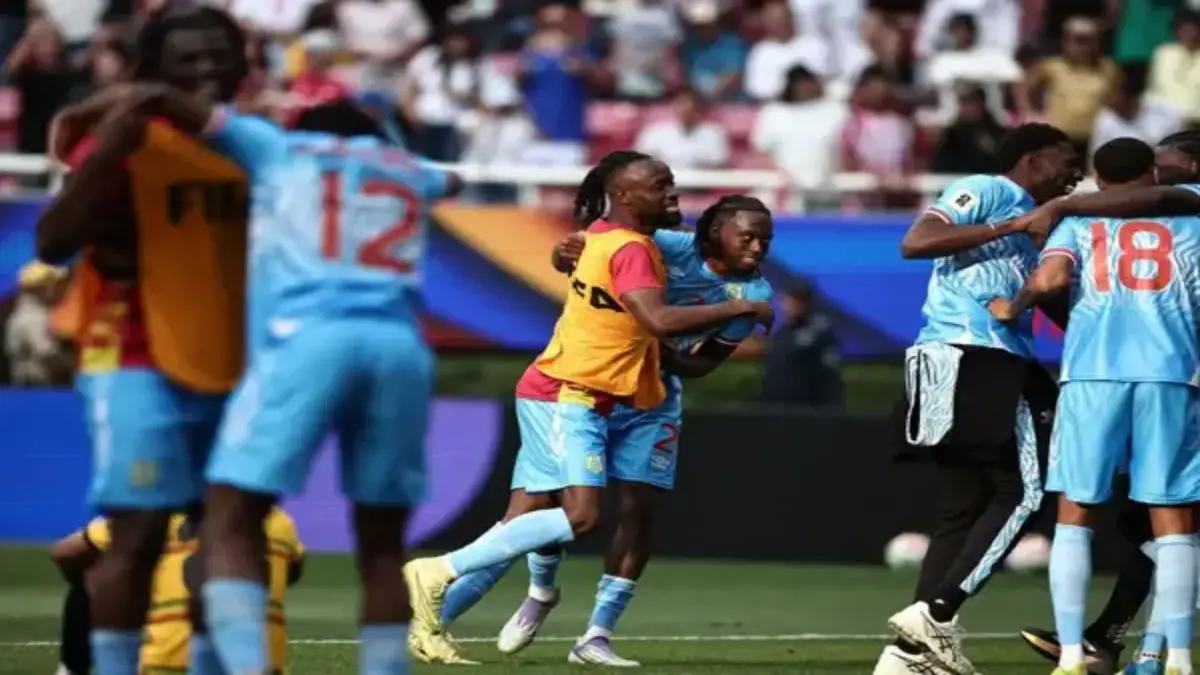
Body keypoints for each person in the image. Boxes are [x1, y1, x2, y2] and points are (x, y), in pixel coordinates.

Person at [62, 87, 462, 675]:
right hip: (400, 349)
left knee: (229, 513)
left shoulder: (280, 149)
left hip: (306, 339)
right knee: (382, 547)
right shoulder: (408, 170)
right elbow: (450, 179)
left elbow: (173, 103)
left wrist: (91, 109)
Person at [403, 150, 774, 663]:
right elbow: (636, 301)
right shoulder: (651, 245)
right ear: (713, 234)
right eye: (747, 236)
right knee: (560, 515)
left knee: (619, 510)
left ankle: (573, 628)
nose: (758, 248)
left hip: (639, 394)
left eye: (765, 240)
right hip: (574, 388)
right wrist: (734, 310)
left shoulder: (654, 248)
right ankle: (481, 585)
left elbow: (696, 361)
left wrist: (671, 346)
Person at [34, 7, 251, 675]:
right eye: (185, 59)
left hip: (230, 360)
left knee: (225, 536)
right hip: (131, 354)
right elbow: (55, 240)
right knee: (137, 537)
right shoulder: (121, 135)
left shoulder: (254, 142)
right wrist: (118, 138)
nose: (205, 69)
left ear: (242, 65)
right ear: (152, 71)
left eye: (217, 54)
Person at [875, 123, 1081, 675]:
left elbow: (1047, 304)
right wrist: (1018, 223)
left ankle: (910, 656)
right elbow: (915, 241)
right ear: (1034, 159)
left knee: (959, 509)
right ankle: (938, 614)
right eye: (1067, 161)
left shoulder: (1040, 229)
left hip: (965, 355)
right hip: (974, 351)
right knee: (1025, 491)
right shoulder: (989, 190)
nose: (1075, 173)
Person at [991, 136, 1200, 675]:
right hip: (1172, 374)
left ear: (1098, 180)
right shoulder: (1192, 220)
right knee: (1173, 517)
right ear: (1153, 172)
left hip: (1091, 377)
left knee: (1075, 514)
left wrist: (1011, 308)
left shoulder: (1078, 224)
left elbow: (1049, 280)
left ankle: (1068, 657)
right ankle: (1176, 657)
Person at [49, 507, 304, 675]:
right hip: (255, 663)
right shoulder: (279, 522)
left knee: (106, 575)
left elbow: (63, 553)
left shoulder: (148, 516)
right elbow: (293, 572)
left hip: (162, 665)